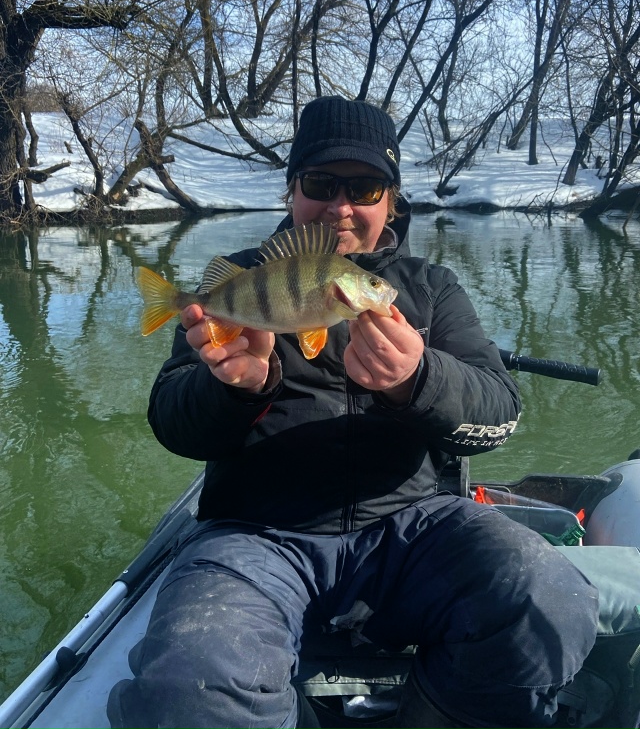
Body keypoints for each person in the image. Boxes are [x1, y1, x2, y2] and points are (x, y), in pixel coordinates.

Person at [108, 96, 598, 729]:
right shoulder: (242, 286)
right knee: (189, 684)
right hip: (256, 536)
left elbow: (499, 415)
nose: (340, 206)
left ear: (390, 202)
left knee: (549, 599)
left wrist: (419, 379)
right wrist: (236, 388)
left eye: (364, 188)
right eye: (321, 183)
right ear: (292, 191)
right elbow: (172, 423)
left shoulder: (431, 288)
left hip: (415, 529)